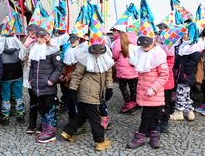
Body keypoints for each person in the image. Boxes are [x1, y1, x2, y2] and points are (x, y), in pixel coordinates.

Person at [61, 11, 114, 151]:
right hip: (87, 92)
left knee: (82, 114)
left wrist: (109, 87)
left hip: (97, 91)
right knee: (95, 117)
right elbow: (77, 75)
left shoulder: (106, 58)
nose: (97, 54)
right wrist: (72, 90)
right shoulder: (85, 58)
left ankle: (68, 131)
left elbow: (108, 72)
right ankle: (99, 140)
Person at [127, 34, 169, 149]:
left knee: (150, 115)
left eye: (147, 45)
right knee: (150, 115)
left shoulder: (159, 55)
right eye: (142, 46)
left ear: (153, 42)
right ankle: (153, 136)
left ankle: (141, 137)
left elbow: (164, 75)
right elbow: (134, 63)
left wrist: (153, 88)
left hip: (155, 92)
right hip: (144, 90)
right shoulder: (140, 52)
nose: (144, 47)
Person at [28, 27, 63, 143]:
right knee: (41, 107)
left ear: (46, 37)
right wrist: (31, 79)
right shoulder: (35, 48)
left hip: (48, 85)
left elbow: (58, 68)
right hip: (37, 85)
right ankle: (44, 126)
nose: (39, 39)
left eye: (41, 37)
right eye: (37, 37)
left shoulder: (53, 49)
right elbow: (32, 66)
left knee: (49, 108)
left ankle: (51, 131)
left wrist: (52, 80)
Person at [170, 25, 204, 121]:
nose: (183, 35)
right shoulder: (185, 45)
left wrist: (184, 74)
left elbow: (191, 64)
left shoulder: (194, 47)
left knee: (180, 94)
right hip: (183, 75)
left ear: (192, 34)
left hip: (185, 76)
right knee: (186, 95)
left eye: (186, 33)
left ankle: (179, 112)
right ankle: (190, 112)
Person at [0, 16, 25, 126]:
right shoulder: (17, 42)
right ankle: (21, 114)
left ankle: (5, 116)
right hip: (17, 73)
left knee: (5, 95)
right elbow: (22, 57)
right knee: (18, 95)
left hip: (5, 74)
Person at [112, 31, 138, 114]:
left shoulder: (117, 42)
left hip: (122, 70)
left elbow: (115, 56)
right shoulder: (134, 40)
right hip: (133, 69)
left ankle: (127, 102)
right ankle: (133, 102)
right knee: (133, 87)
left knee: (123, 87)